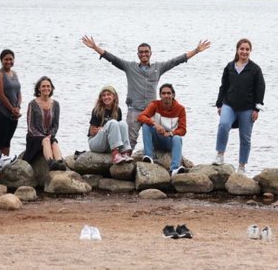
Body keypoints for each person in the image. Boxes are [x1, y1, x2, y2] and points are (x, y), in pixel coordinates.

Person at [81, 35, 210, 148]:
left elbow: (176, 61)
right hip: (134, 109)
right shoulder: (130, 67)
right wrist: (95, 47)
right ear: (138, 54)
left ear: (150, 53)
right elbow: (112, 59)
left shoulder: (158, 67)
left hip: (151, 111)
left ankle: (153, 159)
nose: (144, 54)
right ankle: (124, 161)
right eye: (141, 52)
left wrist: (196, 51)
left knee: (155, 137)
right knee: (129, 140)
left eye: (146, 52)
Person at [214, 38, 265, 174]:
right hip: (229, 104)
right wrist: (219, 104)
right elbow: (223, 86)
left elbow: (260, 89)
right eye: (242, 49)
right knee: (223, 125)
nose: (244, 51)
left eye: (247, 49)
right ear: (237, 50)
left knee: (245, 137)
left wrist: (256, 109)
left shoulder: (255, 69)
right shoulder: (229, 67)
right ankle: (220, 155)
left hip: (247, 108)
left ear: (250, 51)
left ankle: (241, 167)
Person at [138, 83, 188, 174]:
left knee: (178, 138)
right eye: (163, 93)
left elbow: (183, 130)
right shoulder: (155, 104)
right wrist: (155, 124)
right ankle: (148, 157)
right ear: (160, 95)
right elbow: (141, 116)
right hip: (157, 138)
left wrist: (171, 133)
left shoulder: (180, 109)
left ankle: (174, 169)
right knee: (146, 126)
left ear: (173, 95)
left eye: (169, 93)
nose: (166, 96)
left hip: (169, 141)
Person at [21, 76, 66, 171]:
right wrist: (44, 137)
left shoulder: (56, 104)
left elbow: (55, 125)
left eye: (48, 86)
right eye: (43, 86)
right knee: (46, 140)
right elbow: (30, 127)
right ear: (39, 88)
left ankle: (59, 162)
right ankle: (50, 162)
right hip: (34, 137)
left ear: (51, 88)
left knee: (54, 142)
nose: (46, 88)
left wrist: (51, 135)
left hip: (48, 136)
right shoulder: (32, 104)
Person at [87, 85, 133, 164]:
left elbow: (118, 131)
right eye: (104, 95)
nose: (106, 97)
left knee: (122, 124)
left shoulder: (118, 110)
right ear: (101, 98)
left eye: (108, 94)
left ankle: (124, 152)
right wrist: (104, 129)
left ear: (114, 97)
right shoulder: (97, 110)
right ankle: (115, 155)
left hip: (109, 143)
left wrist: (105, 129)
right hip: (95, 143)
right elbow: (92, 132)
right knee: (113, 123)